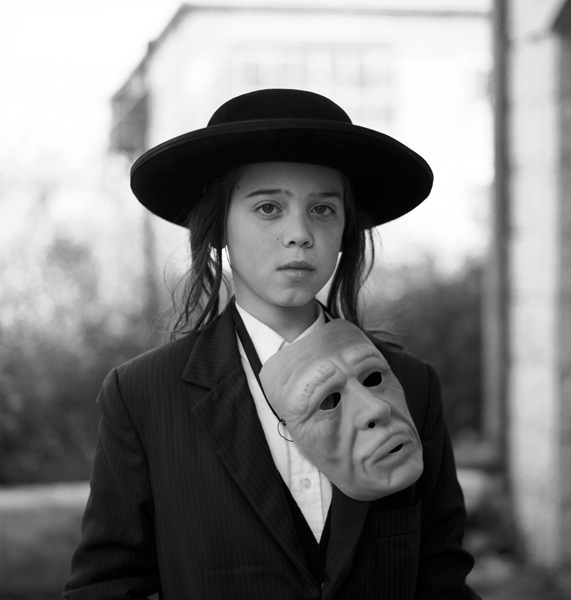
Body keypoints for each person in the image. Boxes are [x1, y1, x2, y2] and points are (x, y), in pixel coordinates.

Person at [64, 88, 481, 599]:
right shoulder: (143, 395)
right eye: (268, 207)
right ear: (218, 225)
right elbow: (106, 587)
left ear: (347, 229)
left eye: (323, 210)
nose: (299, 234)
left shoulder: (411, 385)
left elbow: (441, 579)